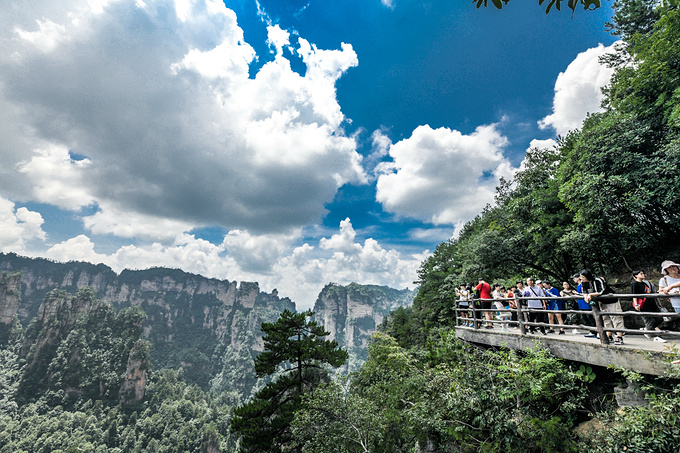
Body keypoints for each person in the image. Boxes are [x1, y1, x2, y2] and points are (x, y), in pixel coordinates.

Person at [580, 269, 624, 345]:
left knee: (616, 318)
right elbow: (584, 292)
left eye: (583, 277)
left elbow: (601, 291)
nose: (581, 279)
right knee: (606, 319)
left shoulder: (598, 280)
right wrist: (585, 296)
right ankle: (609, 336)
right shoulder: (583, 283)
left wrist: (590, 295)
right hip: (602, 302)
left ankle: (619, 337)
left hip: (611, 300)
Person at [631, 270, 666, 342]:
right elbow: (634, 295)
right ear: (636, 276)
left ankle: (647, 329)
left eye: (643, 273)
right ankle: (653, 336)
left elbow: (651, 292)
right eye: (641, 273)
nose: (643, 274)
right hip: (644, 304)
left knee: (660, 319)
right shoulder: (635, 284)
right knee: (649, 320)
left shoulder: (645, 283)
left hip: (651, 303)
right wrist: (636, 304)